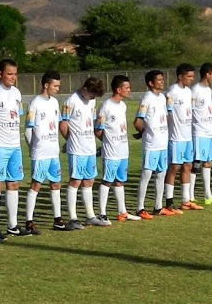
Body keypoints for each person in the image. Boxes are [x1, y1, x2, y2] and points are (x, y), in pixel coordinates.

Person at [0, 60, 26, 237]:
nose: (13, 77)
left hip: (14, 145)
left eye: (15, 74)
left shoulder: (17, 93)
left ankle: (12, 224)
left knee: (14, 183)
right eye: (9, 74)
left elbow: (18, 116)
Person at [62, 76, 107, 228]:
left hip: (89, 148)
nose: (93, 98)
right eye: (92, 94)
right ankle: (73, 218)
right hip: (77, 148)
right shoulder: (71, 101)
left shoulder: (92, 101)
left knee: (89, 181)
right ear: (85, 89)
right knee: (75, 181)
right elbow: (63, 123)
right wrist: (70, 140)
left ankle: (90, 216)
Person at [24, 71, 64, 232]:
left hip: (53, 151)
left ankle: (58, 219)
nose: (57, 89)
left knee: (56, 184)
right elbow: (28, 130)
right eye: (55, 86)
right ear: (46, 85)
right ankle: (29, 221)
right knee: (36, 185)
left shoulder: (54, 103)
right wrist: (32, 148)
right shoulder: (34, 104)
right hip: (40, 152)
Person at [98, 75, 138, 220]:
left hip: (123, 150)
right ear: (118, 89)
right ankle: (102, 213)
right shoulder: (106, 106)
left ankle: (123, 212)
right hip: (111, 151)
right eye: (127, 87)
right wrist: (107, 142)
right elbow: (98, 129)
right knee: (107, 181)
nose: (129, 90)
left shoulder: (123, 105)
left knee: (120, 180)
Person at [134, 69, 170, 216]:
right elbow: (137, 121)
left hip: (163, 143)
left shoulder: (162, 97)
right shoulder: (147, 98)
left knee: (161, 174)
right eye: (159, 79)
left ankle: (158, 206)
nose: (162, 82)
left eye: (162, 79)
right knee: (147, 174)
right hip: (151, 143)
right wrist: (144, 133)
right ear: (151, 83)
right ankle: (140, 208)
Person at [165, 64, 197, 210]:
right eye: (189, 76)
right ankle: (169, 201)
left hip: (187, 136)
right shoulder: (172, 92)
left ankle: (186, 200)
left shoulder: (189, 92)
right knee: (174, 167)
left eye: (192, 76)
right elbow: (168, 113)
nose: (192, 79)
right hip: (176, 137)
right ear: (180, 76)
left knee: (187, 166)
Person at [191, 63, 212, 205]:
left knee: (208, 162)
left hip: (209, 131)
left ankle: (208, 195)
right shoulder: (195, 90)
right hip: (199, 131)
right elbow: (190, 110)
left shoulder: (208, 90)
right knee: (196, 162)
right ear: (207, 74)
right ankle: (190, 195)